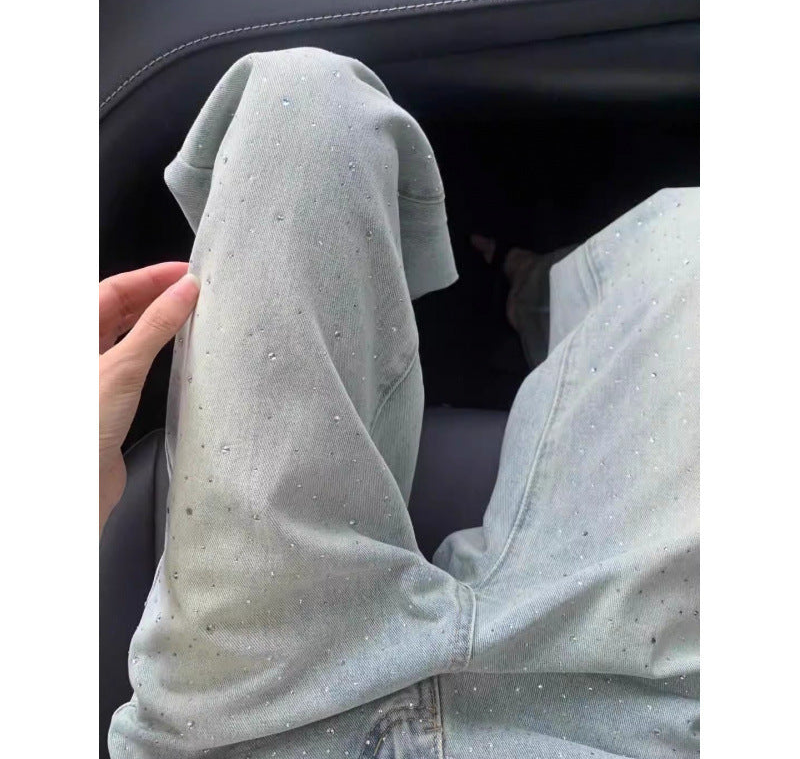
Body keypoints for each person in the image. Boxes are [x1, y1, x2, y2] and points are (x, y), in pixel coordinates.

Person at [102, 48, 699, 758]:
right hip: (631, 720)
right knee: (697, 234)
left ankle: (514, 292)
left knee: (302, 100)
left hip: (244, 713)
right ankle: (528, 289)